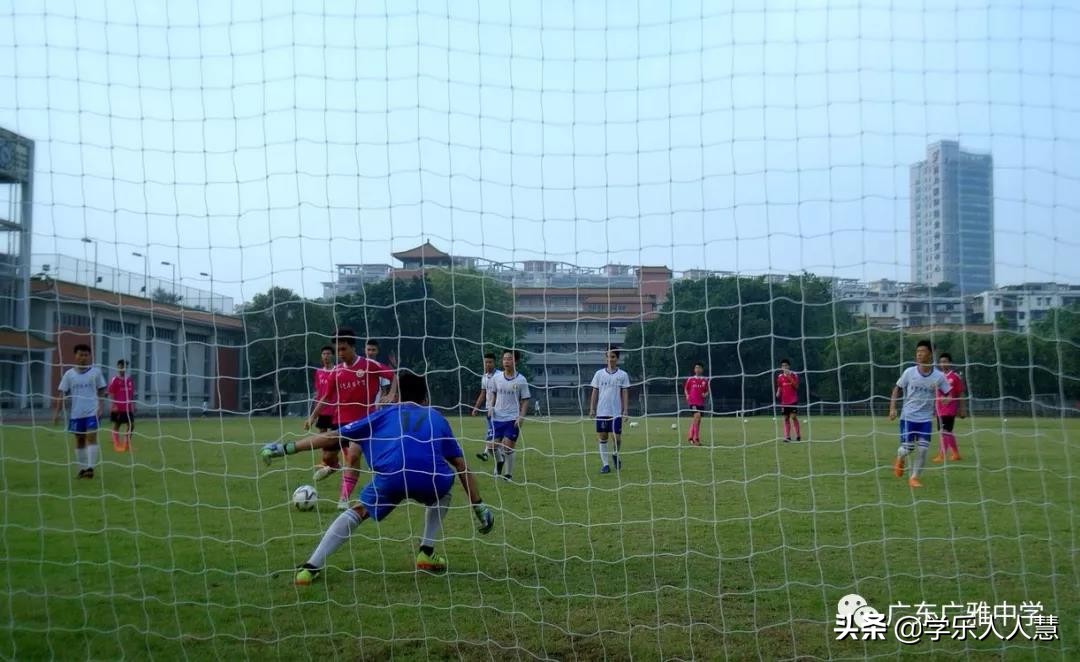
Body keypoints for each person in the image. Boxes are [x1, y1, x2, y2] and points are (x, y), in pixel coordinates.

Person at [260, 372, 495, 585]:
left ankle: (310, 567)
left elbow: (333, 437)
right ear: (425, 399)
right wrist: (478, 505)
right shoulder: (437, 417)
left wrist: (287, 448)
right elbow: (461, 466)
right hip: (430, 481)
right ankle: (426, 550)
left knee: (358, 511)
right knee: (444, 492)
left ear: (396, 397)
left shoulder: (382, 415)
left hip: (391, 479)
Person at [304, 329, 395, 509]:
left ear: (353, 347)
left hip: (364, 422)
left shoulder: (368, 365)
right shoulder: (336, 372)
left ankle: (343, 499)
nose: (340, 354)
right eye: (338, 350)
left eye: (343, 349)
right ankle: (334, 465)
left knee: (353, 457)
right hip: (341, 422)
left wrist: (391, 394)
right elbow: (326, 397)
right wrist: (312, 416)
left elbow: (393, 374)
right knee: (328, 457)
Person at [889, 339, 951, 488]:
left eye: (922, 351)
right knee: (908, 448)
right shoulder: (909, 372)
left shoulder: (939, 376)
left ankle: (914, 478)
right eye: (917, 352)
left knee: (923, 449)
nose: (919, 354)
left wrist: (946, 399)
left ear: (930, 354)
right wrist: (892, 408)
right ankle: (900, 458)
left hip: (925, 419)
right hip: (908, 417)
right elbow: (897, 388)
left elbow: (948, 393)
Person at [53, 344, 107, 479]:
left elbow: (102, 389)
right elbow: (62, 394)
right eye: (80, 354)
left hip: (92, 411)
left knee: (91, 436)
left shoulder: (96, 372)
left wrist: (101, 406)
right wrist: (57, 412)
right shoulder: (69, 374)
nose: (83, 357)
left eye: (86, 355)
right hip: (76, 413)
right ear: (75, 356)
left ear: (89, 356)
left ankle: (90, 468)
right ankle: (81, 468)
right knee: (79, 440)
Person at [487, 350, 530, 481]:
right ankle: (500, 461)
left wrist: (521, 416)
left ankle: (508, 474)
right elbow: (493, 394)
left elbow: (525, 400)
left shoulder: (521, 380)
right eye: (504, 359)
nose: (506, 361)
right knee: (490, 448)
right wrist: (490, 407)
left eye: (509, 359)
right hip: (497, 417)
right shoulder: (497, 378)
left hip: (512, 418)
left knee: (507, 446)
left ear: (515, 361)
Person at [588, 349, 631, 473]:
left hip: (616, 412)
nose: (610, 359)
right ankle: (605, 465)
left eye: (613, 357)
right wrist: (592, 408)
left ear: (617, 358)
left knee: (616, 438)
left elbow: (625, 392)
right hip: (602, 411)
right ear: (605, 358)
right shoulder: (599, 374)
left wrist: (625, 410)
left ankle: (615, 454)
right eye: (608, 357)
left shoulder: (623, 375)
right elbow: (594, 391)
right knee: (603, 436)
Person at [307, 346, 338, 481]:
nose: (326, 356)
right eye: (324, 353)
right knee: (322, 435)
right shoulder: (319, 372)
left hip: (336, 409)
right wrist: (314, 412)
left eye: (328, 353)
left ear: (333, 356)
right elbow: (318, 393)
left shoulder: (338, 370)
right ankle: (325, 462)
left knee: (336, 437)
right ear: (321, 356)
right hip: (323, 409)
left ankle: (332, 461)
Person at [933, 352, 967, 463]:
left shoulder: (954, 377)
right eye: (941, 362)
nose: (943, 364)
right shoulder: (936, 376)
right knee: (948, 431)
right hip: (939, 409)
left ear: (950, 363)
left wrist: (962, 409)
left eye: (945, 361)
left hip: (950, 409)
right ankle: (956, 454)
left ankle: (942, 455)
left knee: (944, 431)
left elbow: (960, 393)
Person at [471, 352, 498, 462]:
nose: (487, 364)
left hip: (498, 409)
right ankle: (492, 452)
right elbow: (483, 393)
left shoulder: (500, 376)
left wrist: (493, 407)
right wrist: (476, 407)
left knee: (492, 431)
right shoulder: (484, 377)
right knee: (493, 432)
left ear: (494, 363)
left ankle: (486, 453)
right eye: (486, 362)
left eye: (490, 362)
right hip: (488, 409)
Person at [106, 359, 135, 452]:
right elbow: (111, 393)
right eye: (121, 366)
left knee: (131, 425)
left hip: (128, 407)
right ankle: (117, 445)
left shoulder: (129, 380)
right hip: (118, 407)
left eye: (125, 366)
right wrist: (114, 405)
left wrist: (134, 405)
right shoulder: (114, 380)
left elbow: (132, 394)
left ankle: (126, 444)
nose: (123, 368)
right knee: (117, 425)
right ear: (118, 367)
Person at [683, 362, 708, 446]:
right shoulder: (690, 379)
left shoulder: (705, 380)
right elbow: (686, 389)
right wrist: (687, 395)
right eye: (696, 368)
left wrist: (705, 394)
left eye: (699, 368)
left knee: (697, 420)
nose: (697, 369)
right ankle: (696, 439)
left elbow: (707, 391)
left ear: (702, 369)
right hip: (692, 402)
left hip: (701, 403)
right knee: (697, 416)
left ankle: (690, 436)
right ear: (694, 369)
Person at [776, 358, 801, 442]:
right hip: (784, 401)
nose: (784, 367)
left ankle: (798, 435)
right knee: (786, 418)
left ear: (789, 366)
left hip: (793, 400)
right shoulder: (780, 377)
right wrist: (778, 392)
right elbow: (780, 386)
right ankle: (787, 437)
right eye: (783, 366)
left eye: (786, 365)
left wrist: (789, 377)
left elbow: (796, 386)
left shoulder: (794, 375)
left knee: (793, 417)